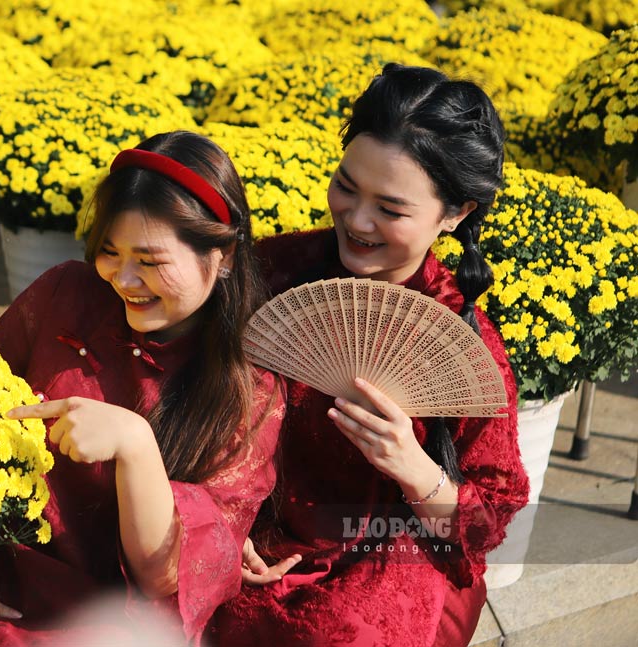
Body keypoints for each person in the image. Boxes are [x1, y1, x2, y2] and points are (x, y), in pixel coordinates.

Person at [208, 64, 531, 647]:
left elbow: (485, 522)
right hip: (259, 528)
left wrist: (413, 465)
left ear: (455, 214)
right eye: (346, 186)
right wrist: (225, 522)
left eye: (391, 208)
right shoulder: (273, 273)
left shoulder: (460, 336)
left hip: (396, 551)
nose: (356, 221)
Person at [0, 131, 284, 647]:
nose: (124, 280)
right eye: (110, 252)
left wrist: (136, 446)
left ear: (223, 255)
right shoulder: (65, 292)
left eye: (152, 262)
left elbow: (166, 580)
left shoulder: (250, 390)